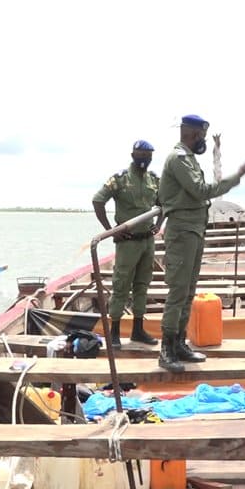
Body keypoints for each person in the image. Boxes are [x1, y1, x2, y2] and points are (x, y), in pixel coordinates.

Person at [157, 114, 245, 372]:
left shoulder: (188, 159)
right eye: (201, 136)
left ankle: (179, 343)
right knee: (178, 291)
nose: (203, 142)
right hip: (182, 232)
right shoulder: (179, 159)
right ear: (190, 134)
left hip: (194, 231)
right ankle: (166, 349)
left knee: (188, 291)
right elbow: (200, 191)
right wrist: (236, 178)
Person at [92, 140, 164, 350]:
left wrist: (158, 226)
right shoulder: (120, 179)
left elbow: (164, 203)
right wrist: (111, 230)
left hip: (147, 241)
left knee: (142, 285)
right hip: (127, 242)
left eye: (148, 155)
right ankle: (114, 332)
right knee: (121, 286)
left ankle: (138, 330)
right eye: (141, 154)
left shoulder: (154, 180)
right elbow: (98, 201)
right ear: (133, 155)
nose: (144, 159)